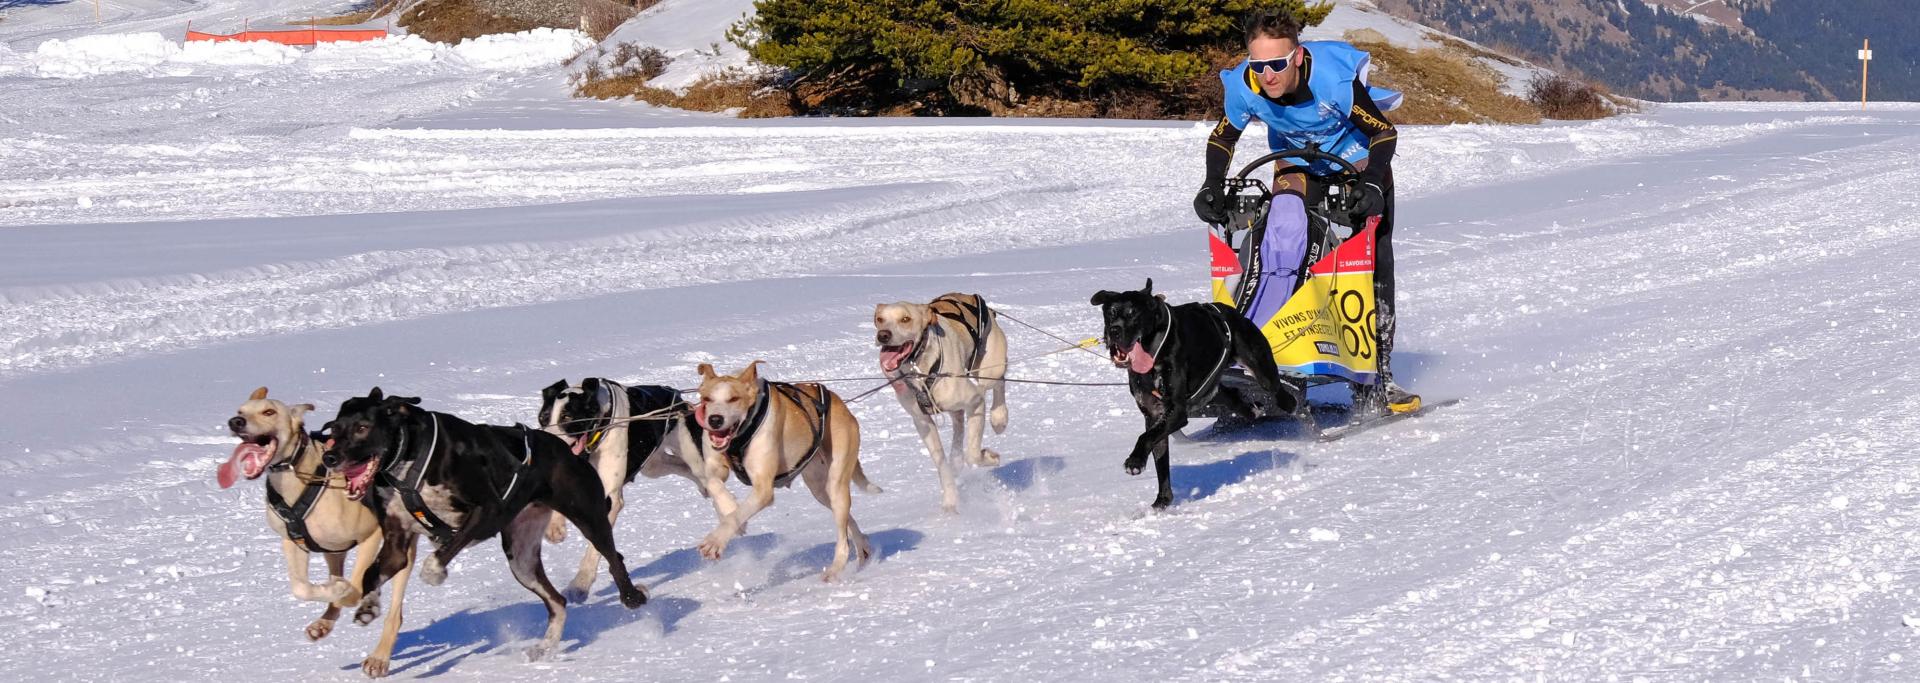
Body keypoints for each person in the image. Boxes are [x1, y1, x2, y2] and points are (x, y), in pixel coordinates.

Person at [1191, 9, 1419, 414]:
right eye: (1259, 65)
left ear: (1296, 57)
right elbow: (1223, 138)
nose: (1268, 76)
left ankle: (1379, 379)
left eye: (1277, 64)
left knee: (1370, 261)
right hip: (1295, 159)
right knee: (1282, 229)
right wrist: (1211, 184)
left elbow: (1384, 132)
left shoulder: (1330, 78)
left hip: (1356, 159)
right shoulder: (1247, 84)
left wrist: (1371, 182)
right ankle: (1274, 356)